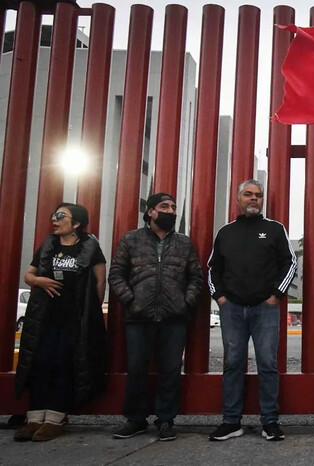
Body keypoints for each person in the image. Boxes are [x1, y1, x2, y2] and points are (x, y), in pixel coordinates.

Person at [207, 179, 297, 442]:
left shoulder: (274, 229)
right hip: (232, 308)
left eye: (258, 195)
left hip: (264, 309)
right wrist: (220, 297)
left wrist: (276, 296)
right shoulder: (226, 232)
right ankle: (231, 421)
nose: (254, 199)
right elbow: (213, 268)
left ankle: (270, 422)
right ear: (238, 199)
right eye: (248, 194)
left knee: (268, 364)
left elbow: (290, 263)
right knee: (233, 363)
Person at [109, 193, 203, 442]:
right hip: (139, 317)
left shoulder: (184, 243)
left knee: (171, 370)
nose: (170, 211)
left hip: (175, 318)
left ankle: (166, 420)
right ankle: (136, 419)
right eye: (164, 207)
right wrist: (131, 300)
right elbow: (117, 274)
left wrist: (185, 303)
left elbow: (196, 277)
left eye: (173, 207)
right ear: (150, 211)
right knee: (137, 368)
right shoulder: (131, 239)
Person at [14, 203, 107, 442]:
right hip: (44, 318)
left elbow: (100, 282)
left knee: (64, 364)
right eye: (54, 215)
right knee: (40, 362)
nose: (54, 220)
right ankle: (34, 418)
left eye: (60, 216)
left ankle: (54, 419)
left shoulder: (90, 247)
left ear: (75, 223)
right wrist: (40, 282)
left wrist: (90, 312)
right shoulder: (48, 245)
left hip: (73, 319)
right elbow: (29, 275)